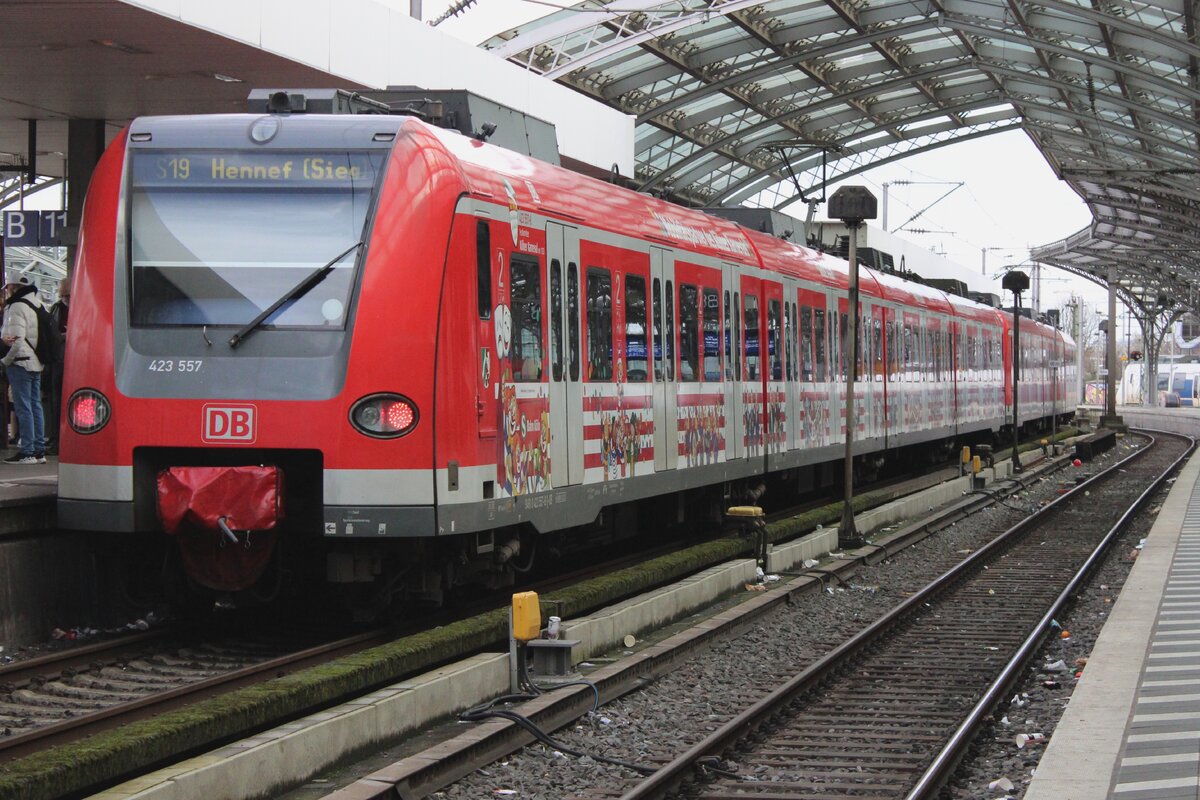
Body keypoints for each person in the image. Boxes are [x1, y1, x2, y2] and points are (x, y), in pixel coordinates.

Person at [2, 276, 46, 464]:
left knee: (23, 406)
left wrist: (5, 361)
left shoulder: (16, 307)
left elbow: (16, 340)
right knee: (35, 405)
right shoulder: (38, 303)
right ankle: (38, 450)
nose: (7, 291)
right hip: (36, 361)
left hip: (20, 362)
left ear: (14, 287)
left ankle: (27, 451)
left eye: (8, 287)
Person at [45, 279, 69, 455]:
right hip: (61, 359)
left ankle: (57, 439)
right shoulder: (57, 308)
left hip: (59, 359)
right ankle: (57, 439)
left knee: (57, 400)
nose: (64, 298)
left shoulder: (55, 309)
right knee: (58, 400)